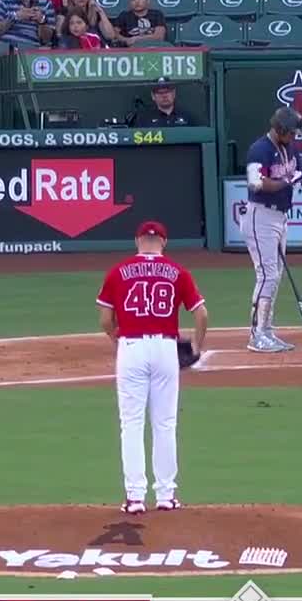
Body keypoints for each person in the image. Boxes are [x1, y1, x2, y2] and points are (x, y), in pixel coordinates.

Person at [96, 220, 209, 514]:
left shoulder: (118, 271)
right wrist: (197, 345)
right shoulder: (178, 272)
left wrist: (115, 339)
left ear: (137, 241)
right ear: (164, 242)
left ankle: (134, 498)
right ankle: (166, 496)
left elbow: (105, 319)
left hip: (131, 348)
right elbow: (202, 314)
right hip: (164, 349)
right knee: (165, 424)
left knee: (131, 424)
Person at [240, 106, 302, 353]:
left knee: (275, 276)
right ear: (281, 129)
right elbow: (255, 184)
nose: (295, 138)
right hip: (260, 215)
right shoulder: (259, 149)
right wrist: (289, 180)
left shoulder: (289, 148)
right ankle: (256, 334)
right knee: (267, 275)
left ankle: (267, 331)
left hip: (280, 216)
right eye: (292, 133)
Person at [130, 78, 197, 127]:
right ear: (153, 96)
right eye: (160, 93)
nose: (164, 95)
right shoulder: (143, 120)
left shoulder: (187, 117)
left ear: (173, 93)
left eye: (167, 92)